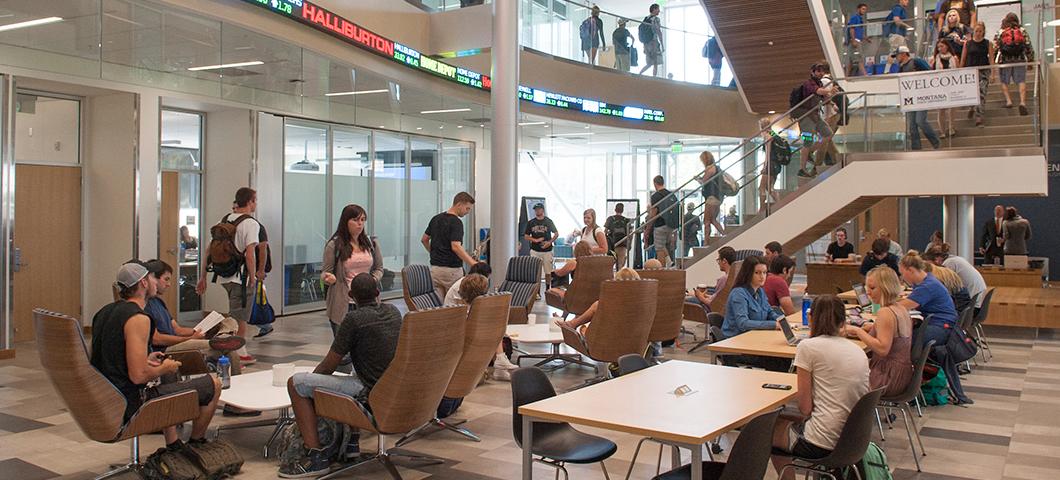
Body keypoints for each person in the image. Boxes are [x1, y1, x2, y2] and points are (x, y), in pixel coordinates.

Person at [280, 273, 402, 478]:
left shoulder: (354, 319)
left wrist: (312, 387)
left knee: (296, 384)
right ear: (378, 293)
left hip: (370, 391)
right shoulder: (393, 312)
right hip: (392, 388)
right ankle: (352, 443)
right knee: (354, 371)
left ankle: (315, 457)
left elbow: (329, 364)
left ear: (351, 295)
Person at [93, 261, 221, 451]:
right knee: (214, 383)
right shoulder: (138, 318)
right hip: (132, 404)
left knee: (165, 375)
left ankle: (174, 444)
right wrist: (165, 367)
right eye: (152, 278)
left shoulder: (103, 313)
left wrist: (148, 361)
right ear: (144, 283)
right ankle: (197, 442)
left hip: (106, 399)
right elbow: (138, 376)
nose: (156, 282)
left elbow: (112, 359)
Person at [770, 295, 869, 478]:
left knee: (770, 429)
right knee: (788, 420)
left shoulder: (808, 347)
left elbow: (805, 408)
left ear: (811, 318)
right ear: (843, 320)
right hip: (855, 440)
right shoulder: (858, 350)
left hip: (823, 443)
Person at [196, 187, 261, 364]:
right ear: (249, 202)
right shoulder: (251, 224)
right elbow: (250, 253)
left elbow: (209, 250)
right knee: (239, 316)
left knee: (235, 313)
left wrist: (202, 276)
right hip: (240, 277)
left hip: (223, 274)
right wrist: (253, 276)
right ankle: (238, 352)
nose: (256, 204)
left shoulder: (224, 220)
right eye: (255, 200)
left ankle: (237, 350)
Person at [897, 252, 972, 405]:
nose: (902, 277)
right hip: (945, 327)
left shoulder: (928, 286)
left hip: (942, 328)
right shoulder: (926, 281)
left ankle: (899, 388)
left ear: (910, 270)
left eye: (902, 273)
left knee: (900, 342)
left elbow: (902, 307)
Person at [143, 259, 242, 374]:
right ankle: (222, 339)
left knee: (229, 321)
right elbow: (157, 339)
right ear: (152, 279)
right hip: (167, 348)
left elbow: (177, 329)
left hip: (180, 340)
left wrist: (198, 330)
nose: (169, 284)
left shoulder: (159, 302)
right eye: (166, 279)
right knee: (229, 350)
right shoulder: (145, 305)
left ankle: (222, 336)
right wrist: (190, 338)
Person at [845, 267, 913, 397]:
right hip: (902, 374)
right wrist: (872, 328)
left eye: (872, 288)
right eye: (867, 288)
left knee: (838, 377)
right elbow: (893, 333)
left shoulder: (885, 312)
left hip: (885, 377)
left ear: (885, 288)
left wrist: (858, 331)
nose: (868, 293)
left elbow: (882, 349)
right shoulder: (900, 308)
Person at [322, 204, 383, 338]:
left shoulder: (370, 243)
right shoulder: (334, 245)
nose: (360, 224)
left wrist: (371, 281)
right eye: (355, 220)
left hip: (368, 300)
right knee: (344, 346)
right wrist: (329, 278)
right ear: (346, 221)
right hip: (344, 301)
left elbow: (379, 268)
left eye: (362, 220)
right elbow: (325, 272)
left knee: (367, 344)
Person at [422, 192, 478, 300]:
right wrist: (473, 263)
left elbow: (424, 239)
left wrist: (434, 253)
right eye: (467, 208)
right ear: (459, 204)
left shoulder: (435, 219)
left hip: (435, 270)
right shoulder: (456, 222)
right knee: (455, 305)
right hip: (452, 270)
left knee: (438, 304)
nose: (468, 212)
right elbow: (456, 246)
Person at [554, 267, 641, 332]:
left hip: (605, 345)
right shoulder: (646, 303)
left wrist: (584, 328)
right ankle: (572, 324)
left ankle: (572, 324)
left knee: (594, 310)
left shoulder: (608, 306)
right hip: (638, 345)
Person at [721, 256, 785, 340]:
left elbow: (769, 312)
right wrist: (773, 325)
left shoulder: (760, 291)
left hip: (754, 336)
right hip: (736, 339)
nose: (762, 276)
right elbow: (743, 323)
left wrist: (782, 322)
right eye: (757, 273)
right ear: (748, 273)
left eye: (764, 272)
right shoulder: (738, 293)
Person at [795, 62, 837, 178]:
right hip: (805, 116)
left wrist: (830, 97)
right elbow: (817, 91)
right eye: (818, 71)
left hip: (815, 115)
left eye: (822, 71)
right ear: (812, 72)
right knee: (807, 141)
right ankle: (802, 168)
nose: (821, 73)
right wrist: (829, 91)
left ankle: (810, 151)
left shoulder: (819, 83)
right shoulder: (809, 83)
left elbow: (823, 99)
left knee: (828, 134)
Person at [895, 46, 941, 150]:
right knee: (912, 125)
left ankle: (935, 142)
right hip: (909, 98)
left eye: (898, 55)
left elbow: (930, 72)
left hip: (921, 95)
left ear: (903, 54)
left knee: (920, 120)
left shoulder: (916, 61)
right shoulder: (901, 68)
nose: (897, 58)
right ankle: (916, 148)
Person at [923, 243, 986, 308]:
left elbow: (943, 287)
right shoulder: (955, 259)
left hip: (971, 305)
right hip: (974, 300)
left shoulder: (949, 264)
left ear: (937, 259)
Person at [995, 13, 1034, 116]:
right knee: (1021, 80)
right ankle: (1022, 102)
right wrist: (1030, 61)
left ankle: (1009, 101)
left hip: (1005, 60)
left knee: (1004, 81)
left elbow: (995, 46)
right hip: (1019, 59)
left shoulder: (1001, 32)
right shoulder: (1022, 31)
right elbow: (1028, 46)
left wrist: (993, 61)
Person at [961, 22, 994, 127]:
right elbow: (963, 59)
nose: (978, 33)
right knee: (971, 93)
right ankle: (971, 107)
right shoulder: (968, 43)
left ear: (983, 32)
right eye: (976, 31)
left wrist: (993, 73)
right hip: (970, 71)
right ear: (973, 31)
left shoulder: (988, 43)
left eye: (980, 31)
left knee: (981, 93)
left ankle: (979, 117)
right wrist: (960, 72)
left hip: (983, 71)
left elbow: (992, 59)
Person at [686, 246, 737, 311]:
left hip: (711, 310)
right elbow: (718, 298)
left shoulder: (724, 279)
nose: (718, 263)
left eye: (719, 260)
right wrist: (705, 295)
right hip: (715, 303)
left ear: (724, 261)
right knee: (691, 296)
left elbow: (715, 305)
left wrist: (701, 297)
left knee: (686, 302)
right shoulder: (734, 276)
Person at [524, 203, 559, 287]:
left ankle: (547, 288)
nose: (537, 211)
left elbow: (556, 233)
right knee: (536, 272)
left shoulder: (548, 221)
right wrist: (535, 240)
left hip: (547, 251)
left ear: (543, 210)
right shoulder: (531, 222)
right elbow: (526, 236)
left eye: (539, 209)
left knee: (548, 271)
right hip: (535, 251)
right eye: (536, 209)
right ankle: (537, 291)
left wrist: (549, 242)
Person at [930, 39, 959, 139]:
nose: (940, 48)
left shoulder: (954, 58)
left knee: (952, 108)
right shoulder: (934, 58)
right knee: (941, 110)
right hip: (939, 86)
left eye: (942, 46)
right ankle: (942, 131)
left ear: (947, 46)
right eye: (938, 47)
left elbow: (958, 72)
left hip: (952, 85)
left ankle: (951, 127)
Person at [649, 175, 678, 267]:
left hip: (660, 224)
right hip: (671, 225)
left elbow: (654, 213)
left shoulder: (655, 196)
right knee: (662, 245)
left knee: (659, 248)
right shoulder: (671, 195)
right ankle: (669, 262)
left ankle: (662, 270)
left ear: (655, 183)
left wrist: (648, 228)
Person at [698, 151, 725, 238]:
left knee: (706, 221)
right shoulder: (717, 168)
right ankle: (725, 235)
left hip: (711, 197)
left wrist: (698, 179)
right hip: (718, 197)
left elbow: (704, 181)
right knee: (713, 220)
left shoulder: (710, 169)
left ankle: (706, 241)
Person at [880, 0, 911, 74]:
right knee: (894, 52)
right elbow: (896, 21)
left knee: (904, 52)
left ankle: (902, 69)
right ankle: (887, 71)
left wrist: (905, 35)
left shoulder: (902, 10)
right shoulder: (897, 8)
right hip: (896, 35)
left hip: (900, 35)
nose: (907, 2)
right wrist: (908, 26)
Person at [638, 4, 664, 77]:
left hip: (646, 44)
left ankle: (639, 74)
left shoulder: (646, 18)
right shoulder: (656, 19)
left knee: (649, 63)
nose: (659, 11)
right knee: (655, 62)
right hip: (653, 42)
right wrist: (662, 44)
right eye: (658, 9)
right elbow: (659, 31)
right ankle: (654, 79)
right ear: (654, 9)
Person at [604, 203, 632, 268]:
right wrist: (629, 244)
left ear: (615, 209)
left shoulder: (610, 219)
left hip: (612, 243)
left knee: (610, 264)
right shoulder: (626, 220)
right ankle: (619, 277)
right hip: (622, 244)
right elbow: (630, 234)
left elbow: (605, 231)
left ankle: (610, 277)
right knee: (620, 264)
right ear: (623, 210)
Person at [846, 3, 869, 76]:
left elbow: (859, 31)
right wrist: (853, 40)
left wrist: (865, 38)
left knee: (851, 60)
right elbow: (852, 29)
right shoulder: (854, 18)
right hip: (855, 41)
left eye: (865, 9)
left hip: (857, 40)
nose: (864, 11)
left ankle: (847, 75)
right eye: (863, 9)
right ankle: (865, 75)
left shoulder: (860, 19)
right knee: (859, 59)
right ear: (858, 9)